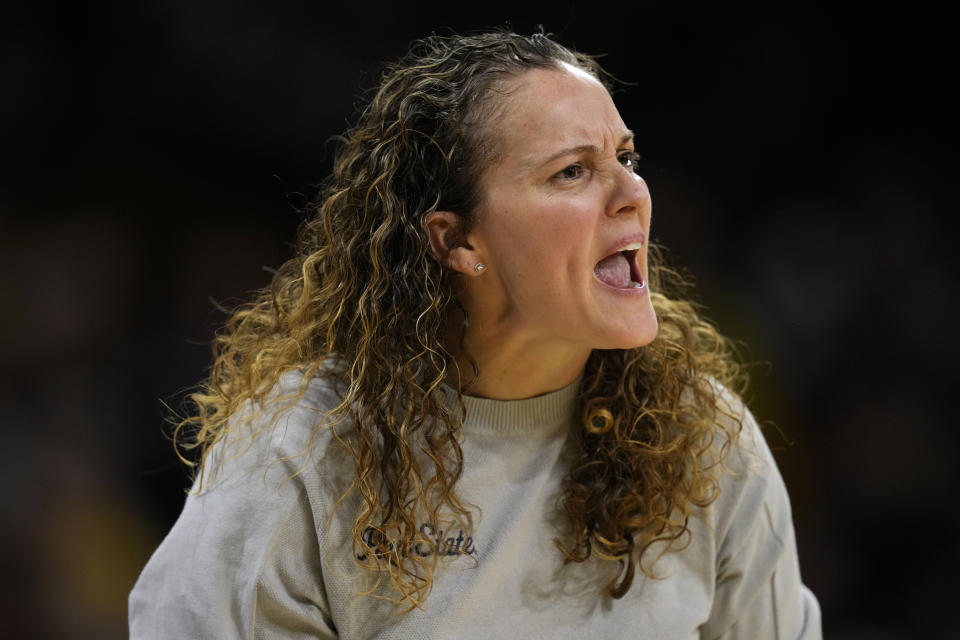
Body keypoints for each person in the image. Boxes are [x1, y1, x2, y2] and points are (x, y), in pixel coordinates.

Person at [129, 30, 822, 639]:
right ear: (456, 241)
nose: (631, 193)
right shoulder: (300, 457)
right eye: (572, 171)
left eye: (627, 159)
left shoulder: (702, 440)